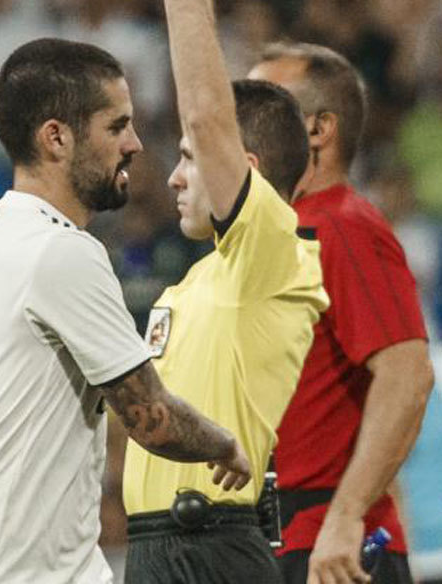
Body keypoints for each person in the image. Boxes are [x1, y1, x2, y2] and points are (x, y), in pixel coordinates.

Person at [0, 38, 252, 583]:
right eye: (116, 126)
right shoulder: (63, 252)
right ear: (56, 137)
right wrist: (227, 445)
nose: (133, 143)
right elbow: (149, 418)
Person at [120, 1, 330, 582]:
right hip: (156, 549)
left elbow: (209, 117)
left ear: (243, 167)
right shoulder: (192, 284)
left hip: (209, 549)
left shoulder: (272, 253)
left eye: (189, 159)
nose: (173, 177)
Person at [249, 42, 435, 584]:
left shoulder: (342, 225)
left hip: (329, 548)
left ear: (317, 130)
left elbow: (407, 374)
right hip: (288, 539)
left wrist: (346, 515)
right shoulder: (285, 232)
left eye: (265, 105)